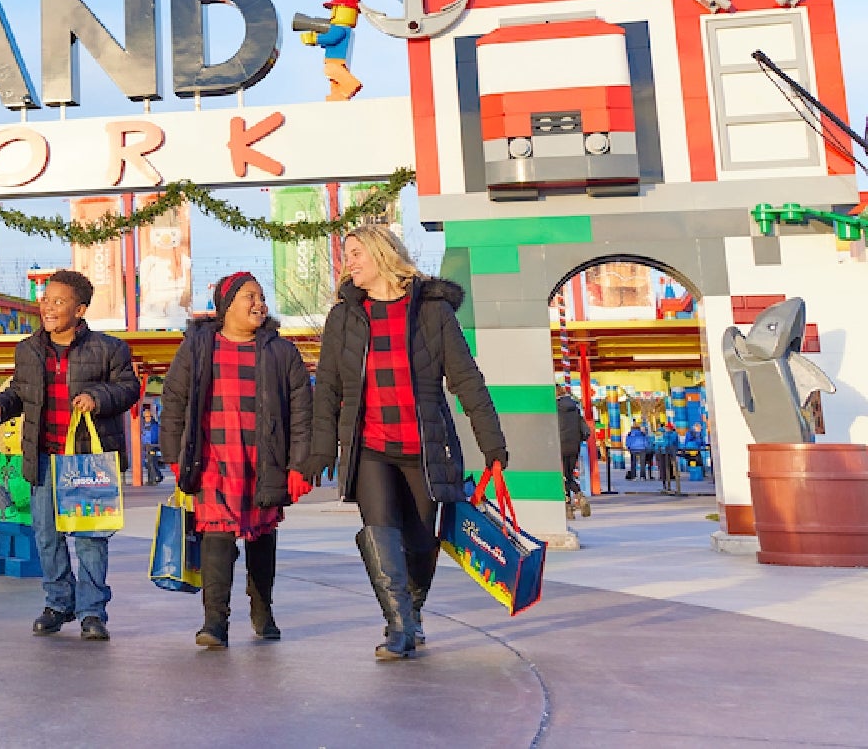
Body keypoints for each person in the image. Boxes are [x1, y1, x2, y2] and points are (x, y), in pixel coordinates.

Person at [305, 225, 508, 661]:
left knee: (420, 542)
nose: (349, 263)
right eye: (348, 255)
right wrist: (321, 452)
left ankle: (412, 611)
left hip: (424, 447)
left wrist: (492, 444)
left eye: (356, 253)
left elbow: (466, 380)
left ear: (382, 254)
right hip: (370, 445)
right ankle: (397, 625)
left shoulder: (432, 311)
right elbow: (328, 391)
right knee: (380, 533)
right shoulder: (344, 317)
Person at [0, 269, 138, 641]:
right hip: (43, 457)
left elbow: (128, 388)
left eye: (58, 301)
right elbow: (20, 391)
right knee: (47, 536)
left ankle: (92, 611)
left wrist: (98, 398)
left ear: (79, 309)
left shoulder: (109, 349)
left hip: (87, 463)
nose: (48, 307)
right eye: (46, 299)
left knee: (89, 539)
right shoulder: (28, 349)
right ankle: (58, 602)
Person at [161, 272, 312, 649]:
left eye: (261, 296)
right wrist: (175, 457)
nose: (258, 303)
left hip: (264, 460)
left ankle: (262, 610)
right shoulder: (197, 347)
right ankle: (215, 622)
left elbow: (301, 414)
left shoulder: (282, 352)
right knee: (217, 535)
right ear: (226, 305)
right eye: (249, 296)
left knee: (262, 536)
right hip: (213, 458)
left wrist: (300, 465)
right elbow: (174, 403)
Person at [557, 388, 591, 515]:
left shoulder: (555, 408)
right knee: (569, 474)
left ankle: (568, 505)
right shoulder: (575, 408)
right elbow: (585, 431)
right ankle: (580, 497)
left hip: (560, 445)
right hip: (574, 445)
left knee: (563, 476)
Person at [141, 400, 165, 486]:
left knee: (152, 462)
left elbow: (154, 436)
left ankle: (158, 476)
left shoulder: (154, 425)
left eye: (148, 415)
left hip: (152, 445)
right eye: (145, 415)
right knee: (148, 463)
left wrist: (154, 444)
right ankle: (151, 479)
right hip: (147, 445)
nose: (146, 417)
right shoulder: (144, 425)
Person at [654, 422, 681, 496]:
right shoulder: (662, 434)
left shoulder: (672, 434)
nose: (667, 429)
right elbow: (658, 442)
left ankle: (670, 480)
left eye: (668, 428)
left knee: (670, 466)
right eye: (666, 427)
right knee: (663, 466)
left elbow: (671, 442)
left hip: (669, 452)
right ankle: (665, 481)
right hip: (663, 452)